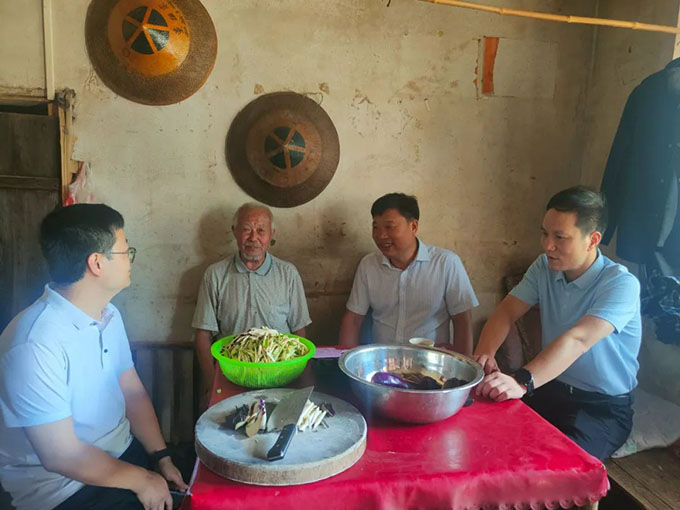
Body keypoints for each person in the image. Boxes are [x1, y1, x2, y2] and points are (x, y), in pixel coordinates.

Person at [0, 204, 187, 510]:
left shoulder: (108, 315)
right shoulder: (33, 344)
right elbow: (62, 455)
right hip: (64, 488)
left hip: (121, 454)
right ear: (97, 263)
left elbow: (131, 390)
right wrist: (143, 480)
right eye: (126, 251)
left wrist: (160, 457)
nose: (130, 260)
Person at [474, 186, 641, 460]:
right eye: (545, 233)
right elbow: (507, 311)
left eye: (560, 237)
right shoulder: (544, 267)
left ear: (592, 240)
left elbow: (578, 340)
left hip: (601, 408)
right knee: (487, 432)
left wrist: (522, 381)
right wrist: (484, 355)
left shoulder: (620, 284)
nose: (547, 245)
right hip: (550, 388)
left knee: (554, 465)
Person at [192, 203, 311, 404]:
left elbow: (300, 333)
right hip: (232, 376)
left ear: (272, 234)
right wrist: (212, 385)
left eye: (261, 230)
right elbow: (203, 335)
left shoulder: (288, 274)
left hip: (281, 378)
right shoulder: (215, 275)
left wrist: (303, 384)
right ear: (235, 232)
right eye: (246, 230)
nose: (253, 238)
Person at [339, 193, 478, 355]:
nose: (381, 235)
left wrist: (463, 366)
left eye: (389, 227)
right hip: (382, 361)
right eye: (376, 227)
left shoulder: (446, 263)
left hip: (431, 362)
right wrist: (343, 361)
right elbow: (353, 320)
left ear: (413, 226)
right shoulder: (368, 265)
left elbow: (462, 321)